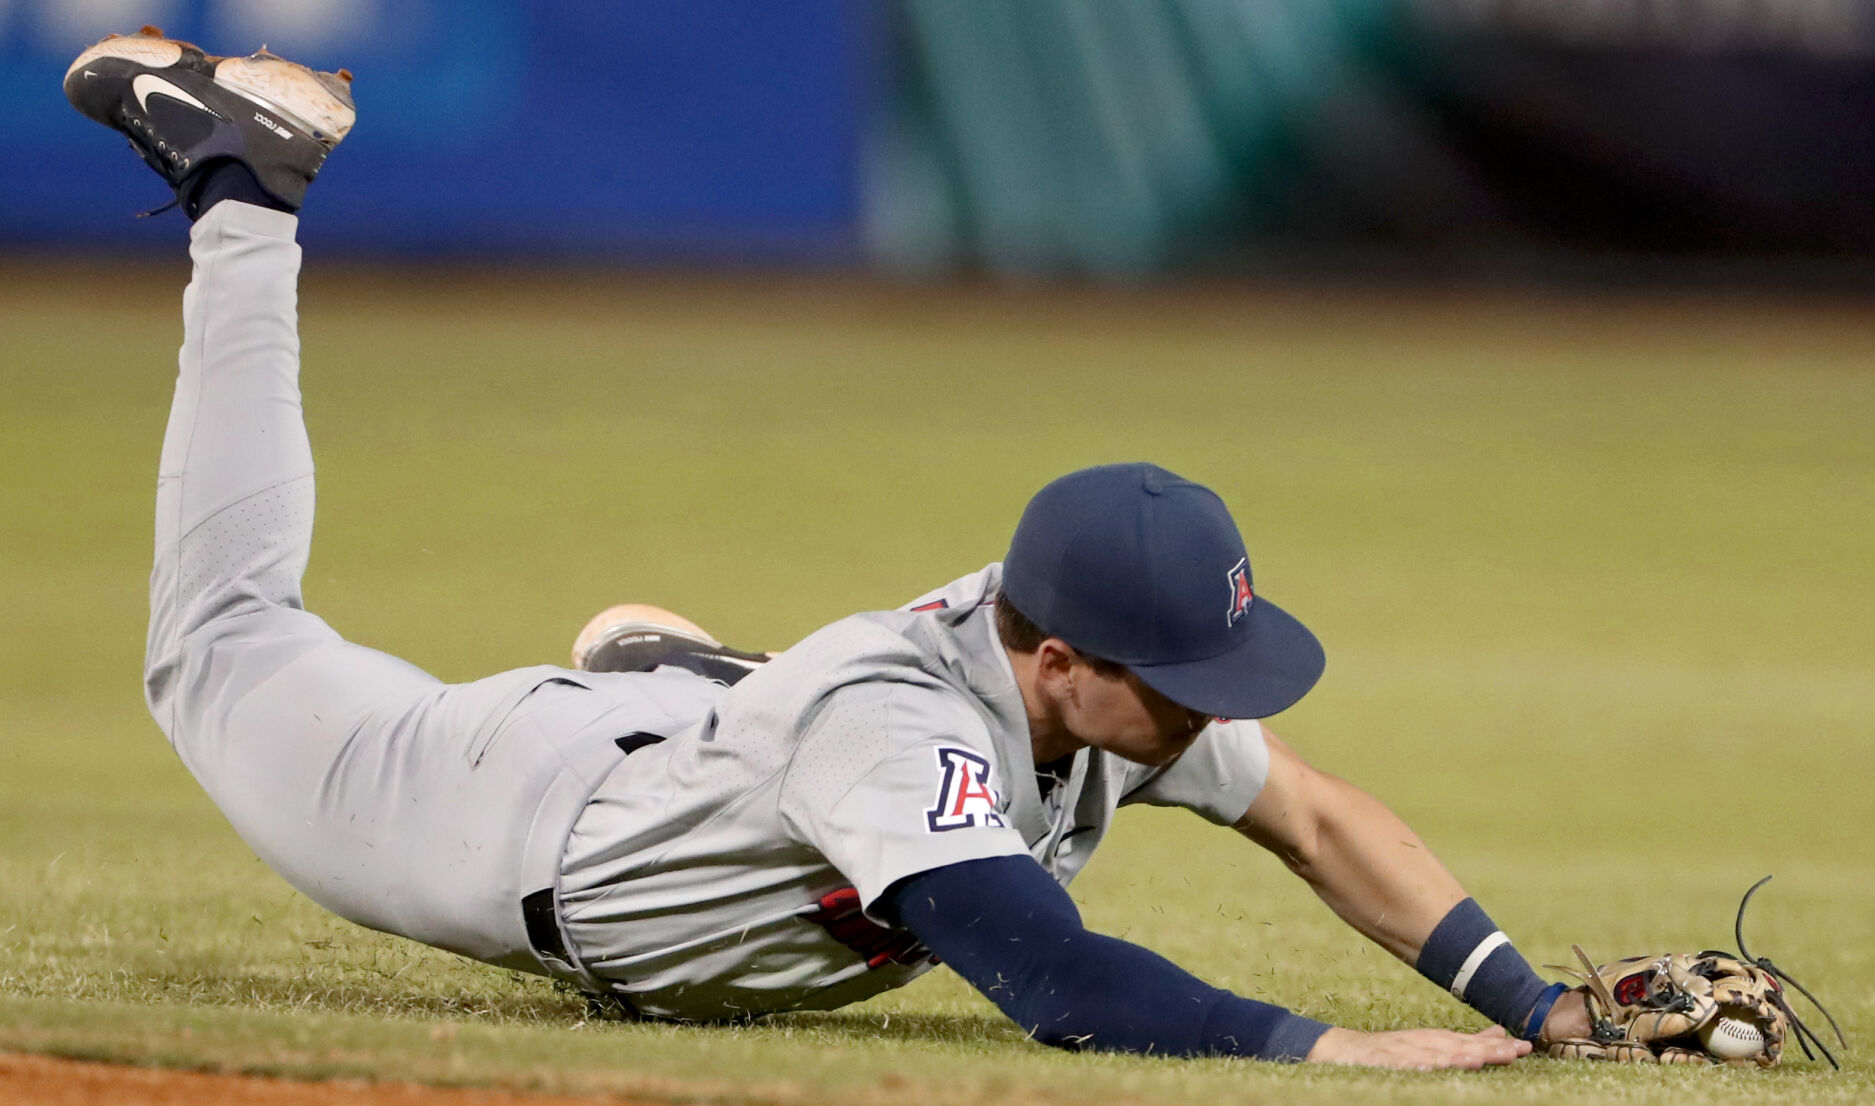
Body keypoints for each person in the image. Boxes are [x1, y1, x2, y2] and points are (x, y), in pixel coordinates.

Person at [69, 28, 1590, 1070]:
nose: (1211, 708)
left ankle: (715, 690)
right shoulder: (908, 729)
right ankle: (244, 192)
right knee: (220, 641)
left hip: (715, 749)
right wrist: (1333, 1048)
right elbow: (1058, 983)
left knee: (807, 737)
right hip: (503, 816)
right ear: (1062, 661)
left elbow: (1319, 822)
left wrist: (1537, 1007)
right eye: (1184, 680)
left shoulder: (1106, 689)